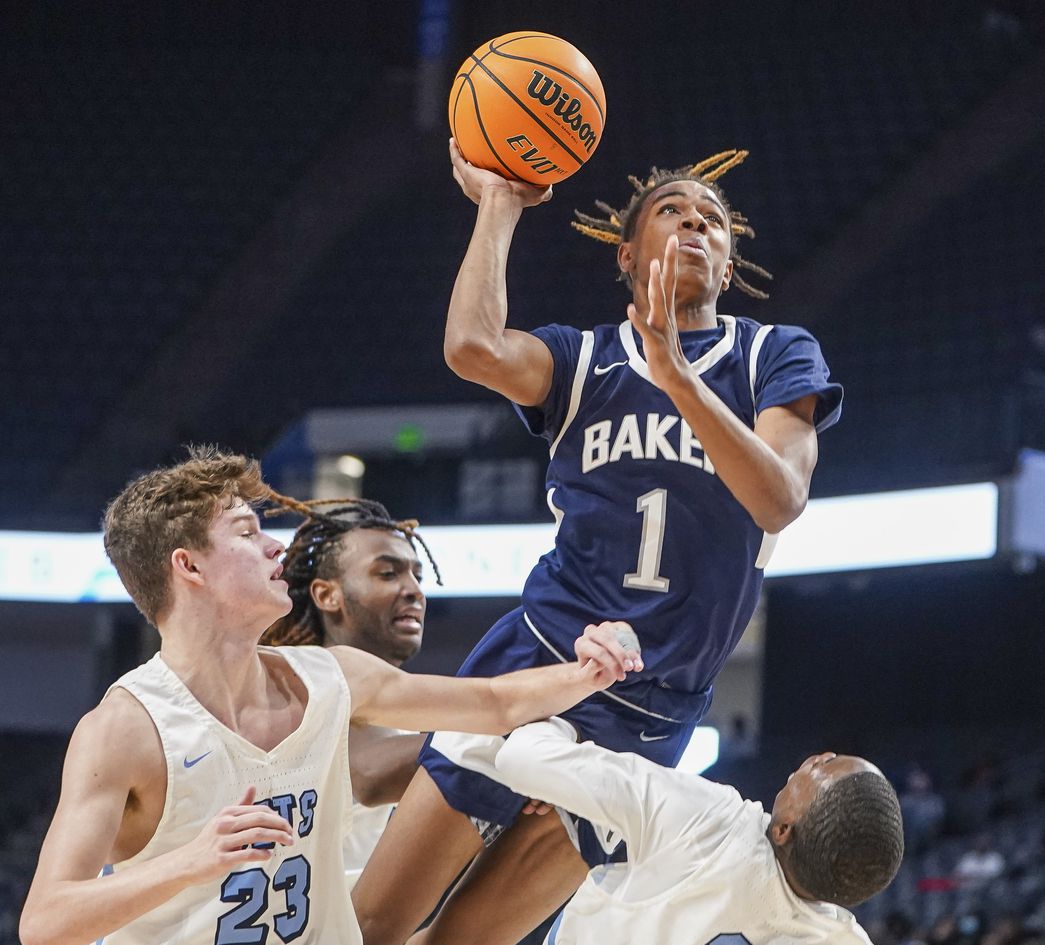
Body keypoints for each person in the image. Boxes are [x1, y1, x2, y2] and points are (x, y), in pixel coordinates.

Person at [353, 141, 843, 945]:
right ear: (627, 254)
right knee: (375, 924)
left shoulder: (774, 354)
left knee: (465, 942)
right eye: (672, 212)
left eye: (712, 219)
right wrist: (498, 207)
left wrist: (677, 373)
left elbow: (780, 499)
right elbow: (471, 347)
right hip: (537, 661)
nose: (695, 223)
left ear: (728, 262)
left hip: (651, 719)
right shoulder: (582, 360)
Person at [18, 447, 640, 945]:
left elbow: (494, 706)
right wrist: (193, 859)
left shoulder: (330, 675)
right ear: (189, 567)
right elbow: (45, 922)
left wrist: (589, 670)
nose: (274, 547)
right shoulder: (126, 729)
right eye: (246, 533)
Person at [431, 719, 901, 944]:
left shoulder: (709, 819)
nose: (818, 757)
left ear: (782, 830)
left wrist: (563, 725)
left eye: (824, 769)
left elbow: (523, 758)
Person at [259, 496, 437, 887]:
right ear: (327, 595)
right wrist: (513, 747)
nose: (413, 591)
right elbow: (370, 772)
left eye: (417, 577)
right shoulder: (305, 676)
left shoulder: (389, 701)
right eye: (388, 574)